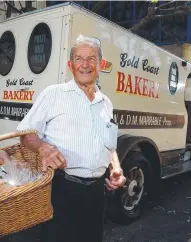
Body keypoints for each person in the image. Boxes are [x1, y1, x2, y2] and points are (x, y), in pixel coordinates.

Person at [17, 34, 126, 242]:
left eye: (91, 59)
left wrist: (116, 168)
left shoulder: (106, 103)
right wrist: (44, 147)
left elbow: (110, 144)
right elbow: (25, 135)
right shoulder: (53, 94)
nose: (85, 65)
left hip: (96, 193)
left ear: (100, 64)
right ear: (70, 64)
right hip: (61, 190)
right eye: (79, 59)